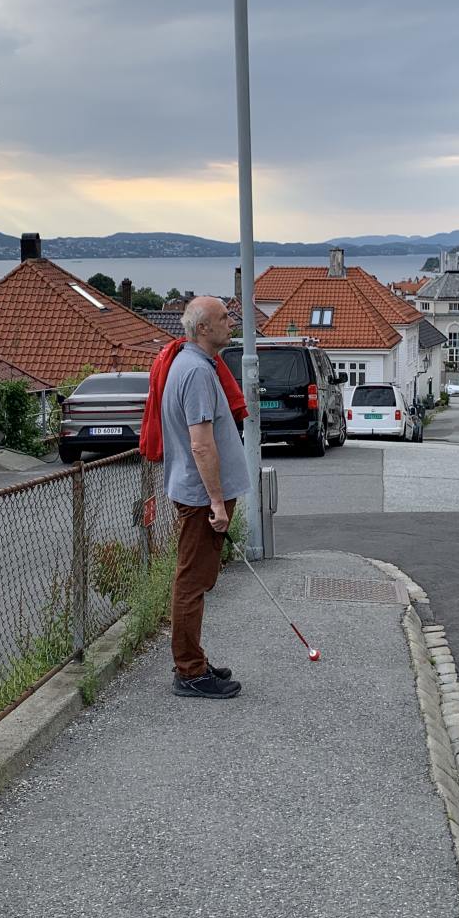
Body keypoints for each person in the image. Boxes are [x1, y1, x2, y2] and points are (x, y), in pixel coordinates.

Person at [160, 296, 250, 699]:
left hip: (199, 494)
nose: (230, 322)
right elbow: (201, 444)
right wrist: (216, 501)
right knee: (192, 582)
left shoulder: (195, 364)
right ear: (202, 329)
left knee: (196, 578)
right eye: (223, 318)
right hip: (200, 497)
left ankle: (193, 658)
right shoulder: (195, 372)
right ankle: (190, 671)